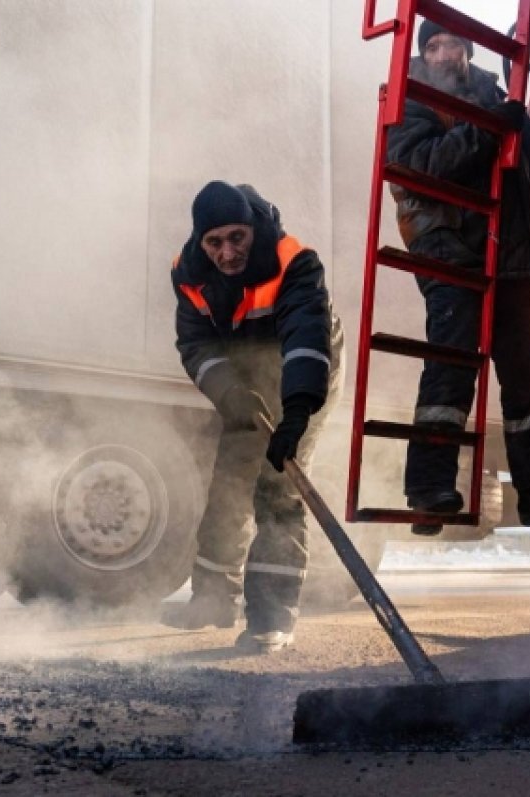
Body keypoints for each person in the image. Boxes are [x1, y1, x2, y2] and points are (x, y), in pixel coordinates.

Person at [387, 21, 530, 533]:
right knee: (452, 362)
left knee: (526, 371)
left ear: (470, 53)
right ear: (422, 52)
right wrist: (491, 126)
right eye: (433, 45)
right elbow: (423, 165)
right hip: (447, 246)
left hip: (503, 251)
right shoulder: (410, 100)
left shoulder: (494, 96)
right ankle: (428, 490)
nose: (445, 53)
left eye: (455, 45)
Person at [163, 180, 343, 653]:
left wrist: (297, 412)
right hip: (245, 370)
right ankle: (212, 599)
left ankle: (271, 617)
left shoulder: (294, 261)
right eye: (214, 242)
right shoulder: (187, 272)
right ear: (201, 242)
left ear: (251, 230)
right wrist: (230, 393)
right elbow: (196, 345)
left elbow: (307, 335)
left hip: (306, 363)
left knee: (277, 482)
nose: (227, 252)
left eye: (236, 238)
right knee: (229, 476)